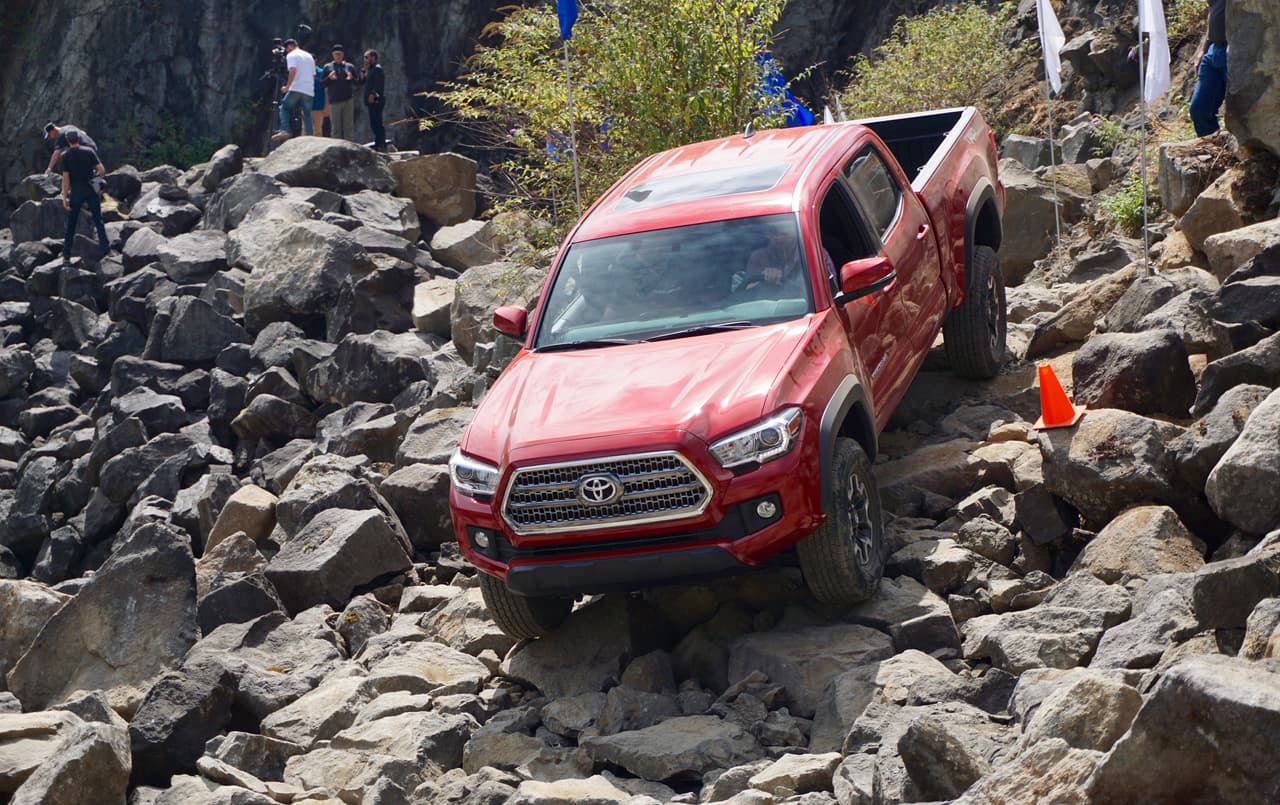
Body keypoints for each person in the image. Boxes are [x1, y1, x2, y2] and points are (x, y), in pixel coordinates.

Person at [58, 130, 109, 263]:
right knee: (98, 220)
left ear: (68, 141)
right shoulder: (89, 151)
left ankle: (66, 255)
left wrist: (64, 197)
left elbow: (65, 179)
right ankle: (107, 250)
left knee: (71, 224)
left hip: (76, 193)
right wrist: (96, 180)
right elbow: (102, 170)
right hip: (91, 190)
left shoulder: (65, 156)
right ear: (78, 139)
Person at [1189, 0, 1228, 136]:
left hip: (1234, 51)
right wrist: (1203, 51)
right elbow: (1213, 15)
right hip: (1213, 51)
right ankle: (1213, 142)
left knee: (1239, 110)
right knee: (1199, 109)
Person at [272, 38, 315, 141]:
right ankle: (310, 136)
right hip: (309, 89)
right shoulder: (309, 56)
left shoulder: (291, 55)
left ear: (289, 46)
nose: (287, 51)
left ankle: (285, 129)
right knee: (307, 114)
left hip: (296, 87)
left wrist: (287, 87)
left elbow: (292, 70)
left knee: (284, 107)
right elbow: (313, 75)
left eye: (287, 49)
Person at [321, 45, 359, 140]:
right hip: (334, 101)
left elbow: (357, 83)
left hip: (348, 100)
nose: (338, 56)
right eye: (336, 54)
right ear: (333, 55)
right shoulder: (328, 67)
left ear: (343, 55)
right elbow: (322, 84)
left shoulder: (349, 66)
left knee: (348, 126)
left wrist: (351, 78)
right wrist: (329, 78)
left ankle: (349, 148)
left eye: (340, 54)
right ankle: (337, 149)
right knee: (336, 128)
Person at [361, 49, 387, 151]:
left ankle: (381, 144)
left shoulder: (377, 69)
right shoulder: (370, 70)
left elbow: (379, 84)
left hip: (376, 100)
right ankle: (378, 142)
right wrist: (362, 76)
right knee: (374, 123)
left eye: (366, 57)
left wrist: (373, 95)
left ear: (373, 57)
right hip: (371, 102)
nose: (365, 60)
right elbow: (362, 83)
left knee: (377, 122)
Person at [311, 63, 329, 137]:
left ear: (315, 61)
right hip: (306, 105)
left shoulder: (322, 72)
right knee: (305, 130)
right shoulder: (304, 72)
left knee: (317, 131)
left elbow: (327, 90)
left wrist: (326, 106)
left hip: (319, 106)